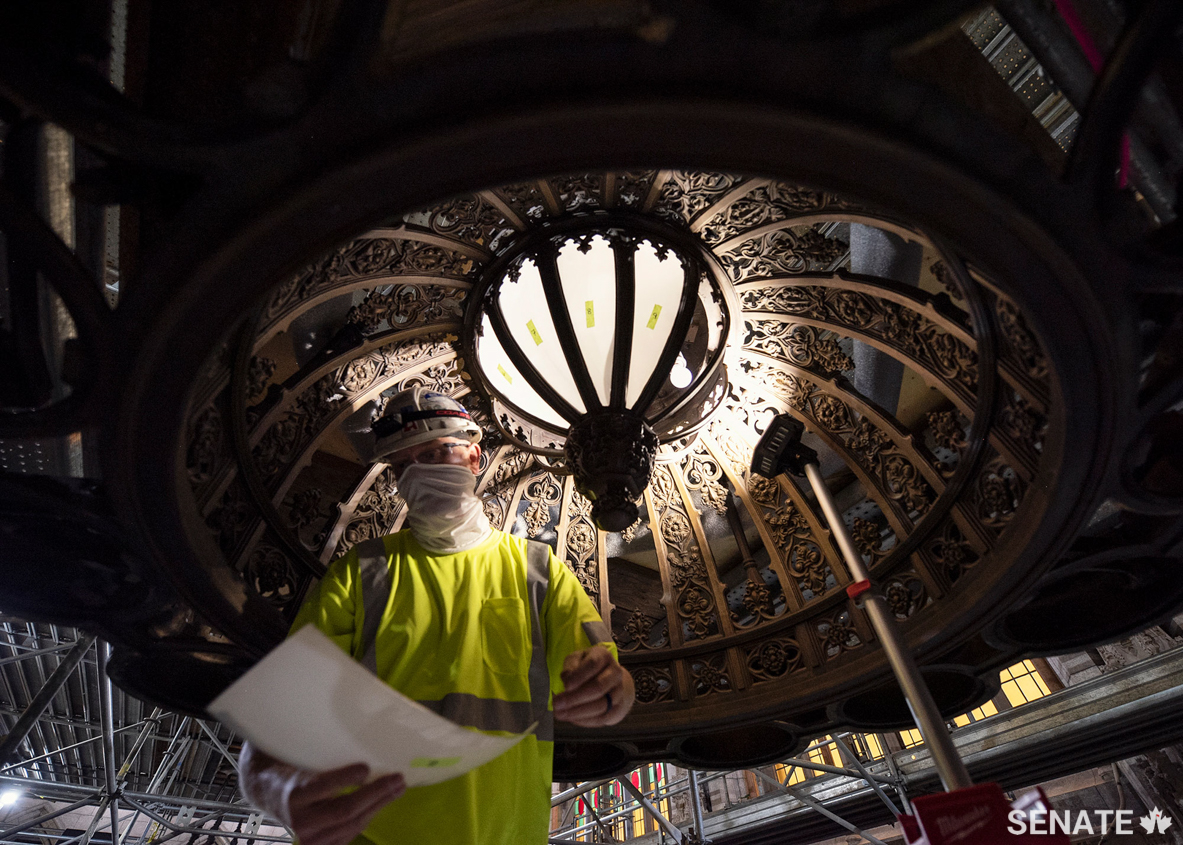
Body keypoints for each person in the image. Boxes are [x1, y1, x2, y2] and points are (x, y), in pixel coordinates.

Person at [239, 387, 634, 845]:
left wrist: (610, 693)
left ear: (474, 457)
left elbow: (615, 690)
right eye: (403, 466)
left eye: (434, 452)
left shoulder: (538, 572)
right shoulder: (362, 573)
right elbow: (272, 721)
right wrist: (276, 788)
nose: (419, 474)